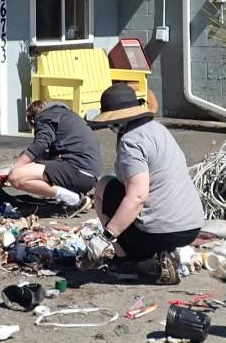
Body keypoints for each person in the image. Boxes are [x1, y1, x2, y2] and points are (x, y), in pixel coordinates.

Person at [86, 83, 205, 284]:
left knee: (104, 187)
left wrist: (105, 237)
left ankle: (126, 261)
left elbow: (137, 197)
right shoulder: (159, 130)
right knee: (121, 190)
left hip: (160, 230)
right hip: (191, 226)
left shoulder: (131, 142)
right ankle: (160, 254)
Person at [0, 100, 101, 216]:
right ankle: (73, 196)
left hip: (77, 170)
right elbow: (43, 155)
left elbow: (40, 145)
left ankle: (74, 200)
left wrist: (12, 169)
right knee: (30, 160)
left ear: (32, 120)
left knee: (16, 177)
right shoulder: (65, 116)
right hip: (88, 176)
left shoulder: (45, 117)